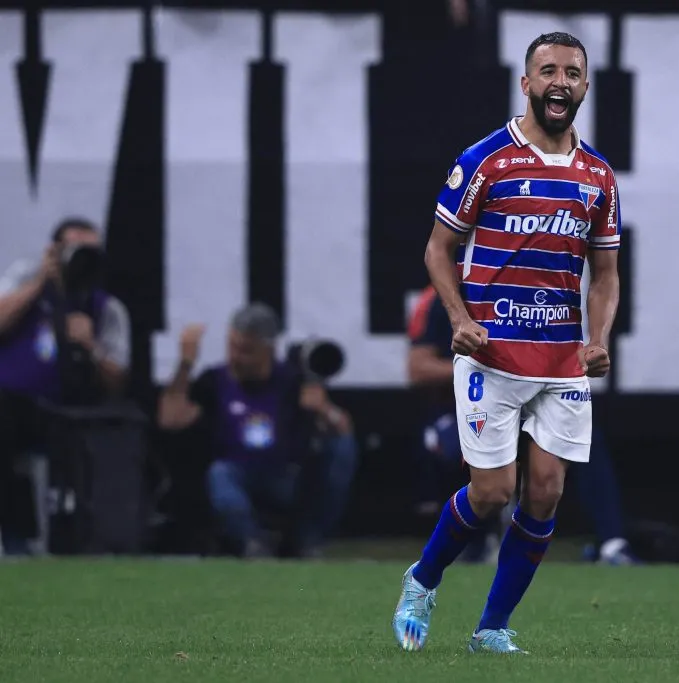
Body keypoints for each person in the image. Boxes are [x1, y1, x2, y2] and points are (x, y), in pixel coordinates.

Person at [392, 31, 621, 654]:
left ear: (585, 86)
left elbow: (605, 274)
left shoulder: (598, 175)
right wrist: (459, 318)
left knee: (545, 492)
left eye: (572, 72)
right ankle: (425, 577)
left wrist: (597, 338)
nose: (560, 82)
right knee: (492, 492)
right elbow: (439, 249)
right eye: (548, 71)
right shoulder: (487, 160)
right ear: (526, 84)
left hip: (561, 356)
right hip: (492, 353)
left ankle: (491, 627)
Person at [408, 283, 637, 565]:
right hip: (462, 406)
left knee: (583, 437)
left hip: (527, 402)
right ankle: (472, 542)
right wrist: (482, 364)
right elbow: (418, 368)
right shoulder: (440, 296)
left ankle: (612, 543)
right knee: (467, 460)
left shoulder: (536, 289)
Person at [157, 303, 359, 558]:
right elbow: (170, 419)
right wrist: (186, 363)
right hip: (236, 476)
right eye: (232, 347)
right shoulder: (215, 381)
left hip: (285, 476)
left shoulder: (292, 380)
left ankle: (310, 541)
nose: (236, 357)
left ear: (269, 349)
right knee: (220, 475)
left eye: (246, 351)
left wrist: (324, 409)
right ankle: (252, 543)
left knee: (341, 447)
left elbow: (343, 428)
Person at [0, 218, 131, 555]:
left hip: (65, 415)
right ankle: (14, 537)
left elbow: (117, 381)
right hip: (12, 405)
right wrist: (41, 281)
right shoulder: (24, 281)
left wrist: (91, 347)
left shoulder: (107, 309)